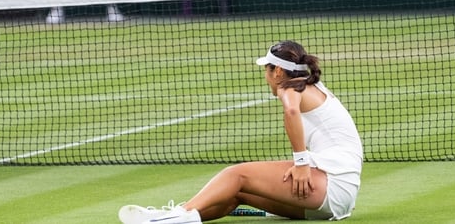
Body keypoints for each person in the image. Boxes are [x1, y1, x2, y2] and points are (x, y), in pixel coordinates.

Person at [119, 40, 363, 223]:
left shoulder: (288, 89)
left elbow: (291, 113)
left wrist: (301, 164)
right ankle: (176, 215)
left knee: (236, 174)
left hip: (332, 183)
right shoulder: (311, 85)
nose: (265, 76)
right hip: (339, 199)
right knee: (238, 194)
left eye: (267, 70)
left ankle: (177, 216)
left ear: (277, 71)